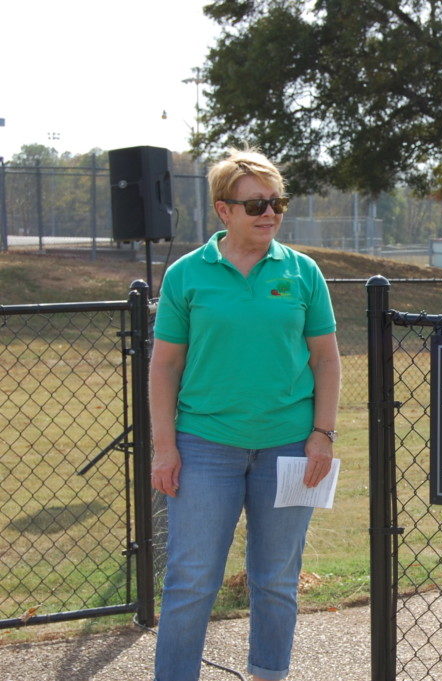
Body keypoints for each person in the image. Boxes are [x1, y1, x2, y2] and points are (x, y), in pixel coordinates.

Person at [149, 148, 341, 681]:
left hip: (289, 447)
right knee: (191, 580)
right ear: (223, 211)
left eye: (276, 202)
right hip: (205, 446)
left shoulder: (302, 273)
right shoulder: (188, 276)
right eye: (255, 204)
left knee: (277, 579)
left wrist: (322, 435)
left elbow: (326, 359)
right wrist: (166, 447)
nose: (269, 214)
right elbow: (164, 367)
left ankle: (268, 673)